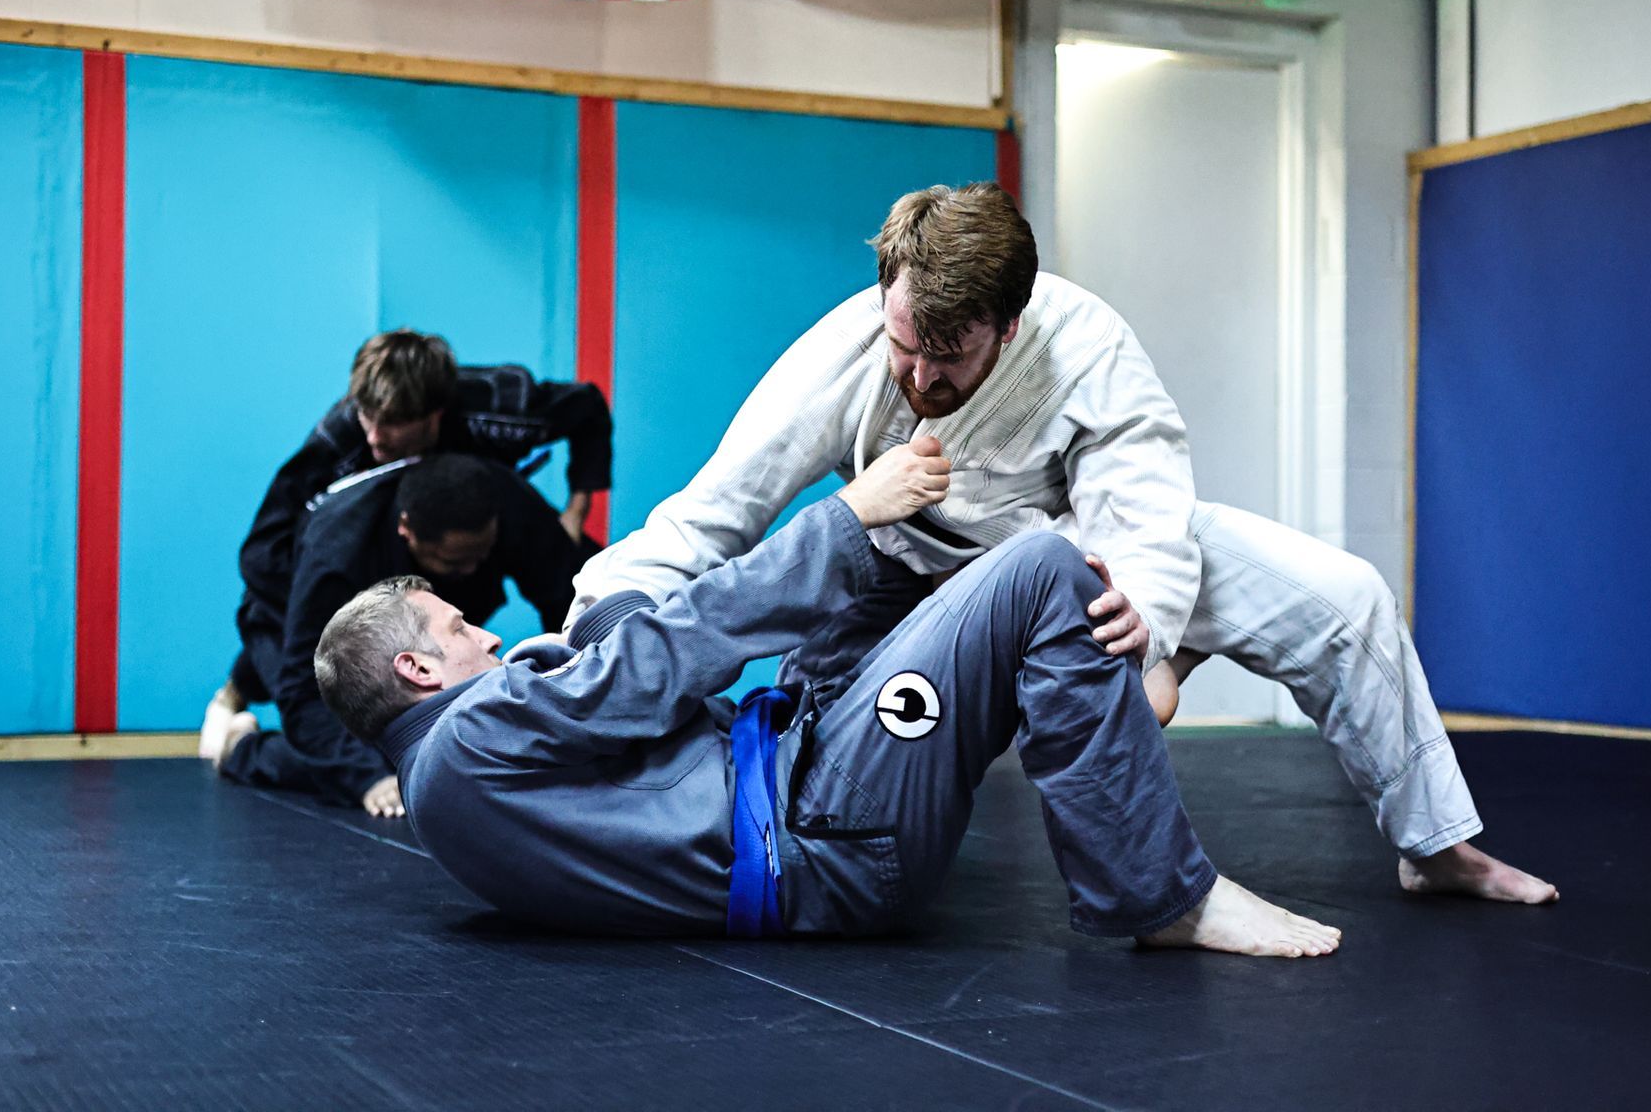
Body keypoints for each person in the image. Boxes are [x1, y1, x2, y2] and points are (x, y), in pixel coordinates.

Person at [569, 183, 1557, 905]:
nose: (917, 374)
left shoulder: (1089, 350)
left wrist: (1150, 623)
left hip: (1087, 549)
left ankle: (1437, 846)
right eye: (905, 341)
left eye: (946, 357)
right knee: (831, 753)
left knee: (1345, 596)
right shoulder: (848, 353)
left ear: (1008, 325)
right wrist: (598, 630)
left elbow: (1149, 507)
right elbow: (713, 512)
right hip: (913, 578)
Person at [315, 439, 1345, 956]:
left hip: (807, 795)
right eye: (458, 629)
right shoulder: (474, 735)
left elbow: (618, 702)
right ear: (415, 669)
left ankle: (1079, 672)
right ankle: (1161, 892)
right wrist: (841, 510)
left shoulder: (448, 793)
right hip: (835, 830)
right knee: (1039, 567)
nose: (482, 631)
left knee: (894, 564)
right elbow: (668, 656)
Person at [222, 329, 612, 726]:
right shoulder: (339, 439)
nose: (374, 435)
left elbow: (587, 408)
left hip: (461, 546)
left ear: (435, 414)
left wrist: (576, 513)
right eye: (366, 415)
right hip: (366, 567)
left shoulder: (496, 404)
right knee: (296, 638)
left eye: (391, 423)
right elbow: (262, 552)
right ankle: (237, 689)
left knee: (577, 569)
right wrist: (319, 618)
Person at [204, 453, 591, 816]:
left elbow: (569, 600)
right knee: (386, 757)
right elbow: (303, 690)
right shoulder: (336, 556)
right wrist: (367, 778)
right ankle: (242, 746)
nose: (473, 569)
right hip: (280, 611)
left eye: (482, 555)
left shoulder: (511, 508)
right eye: (456, 561)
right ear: (408, 532)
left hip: (419, 602)